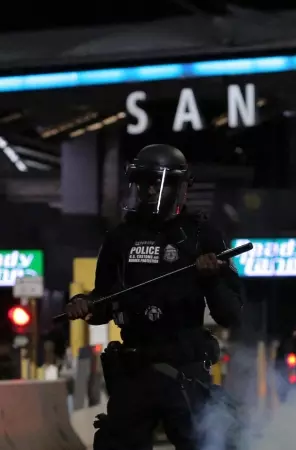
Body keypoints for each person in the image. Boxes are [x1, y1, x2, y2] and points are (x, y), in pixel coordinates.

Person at [63, 144, 243, 450]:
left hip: (186, 371)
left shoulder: (202, 236)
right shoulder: (120, 238)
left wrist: (211, 279)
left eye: (151, 184)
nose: (144, 192)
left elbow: (231, 314)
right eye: (139, 184)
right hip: (134, 372)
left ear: (176, 189)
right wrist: (86, 305)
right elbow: (104, 300)